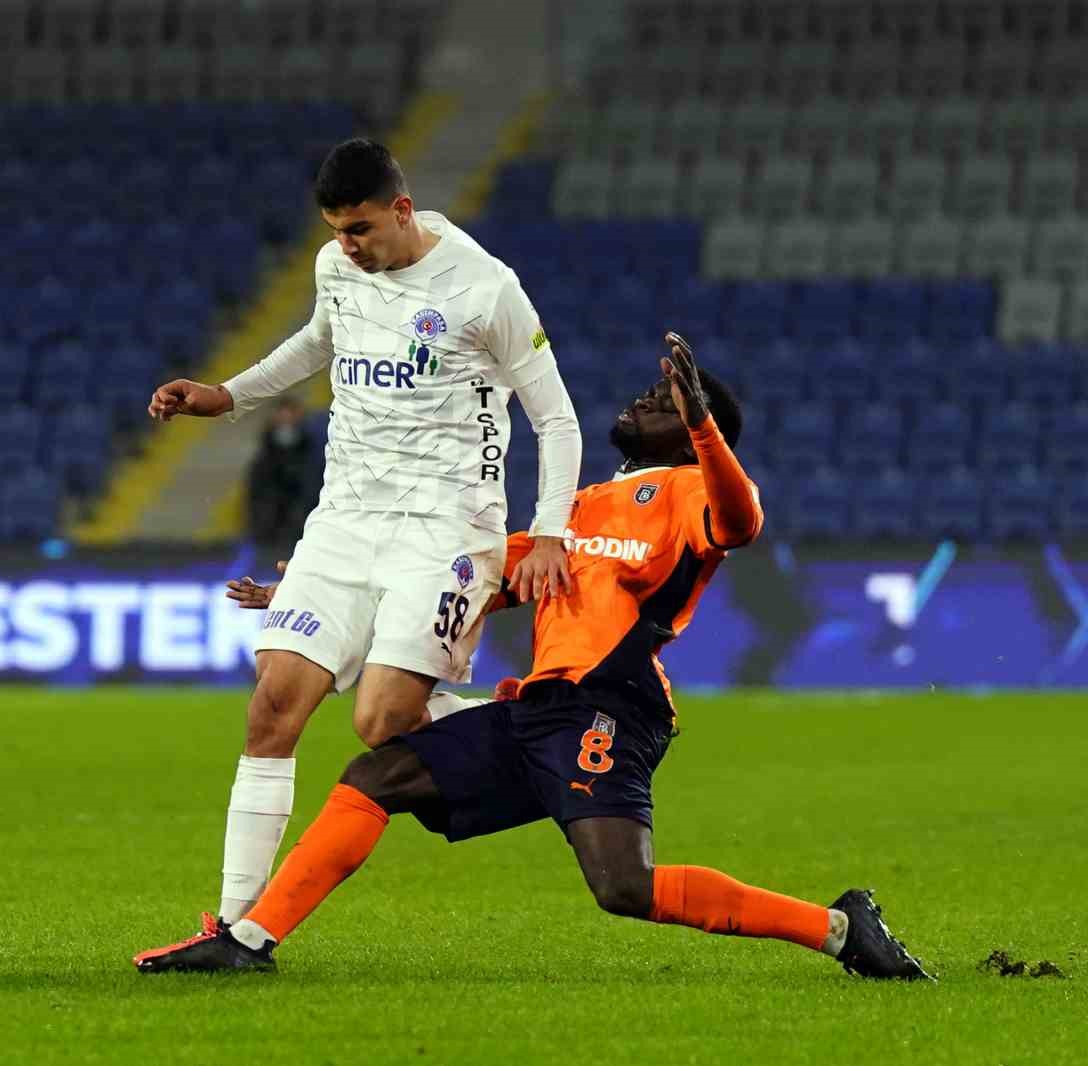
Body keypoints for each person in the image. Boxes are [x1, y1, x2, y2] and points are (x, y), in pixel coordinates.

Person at [136, 334, 933, 981]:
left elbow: (744, 520)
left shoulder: (693, 491)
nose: (645, 401)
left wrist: (702, 430)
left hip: (611, 704)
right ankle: (252, 940)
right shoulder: (580, 506)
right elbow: (477, 575)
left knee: (624, 888)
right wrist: (314, 592)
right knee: (372, 776)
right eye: (657, 397)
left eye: (666, 403)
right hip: (539, 708)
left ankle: (836, 929)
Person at [144, 138, 583, 933]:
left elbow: (556, 417)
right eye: (337, 231)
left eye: (360, 230)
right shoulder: (337, 266)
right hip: (343, 520)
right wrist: (226, 396)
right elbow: (319, 340)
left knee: (381, 723)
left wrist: (550, 531)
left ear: (403, 211)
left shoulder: (486, 290)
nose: (346, 247)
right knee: (273, 705)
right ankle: (236, 928)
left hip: (446, 526)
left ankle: (532, 732)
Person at [246, 398, 316, 561]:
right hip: (272, 498)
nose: (286, 418)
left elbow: (308, 469)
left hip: (297, 497)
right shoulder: (267, 440)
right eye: (282, 414)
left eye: (289, 414)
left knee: (294, 535)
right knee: (269, 537)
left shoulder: (306, 439)